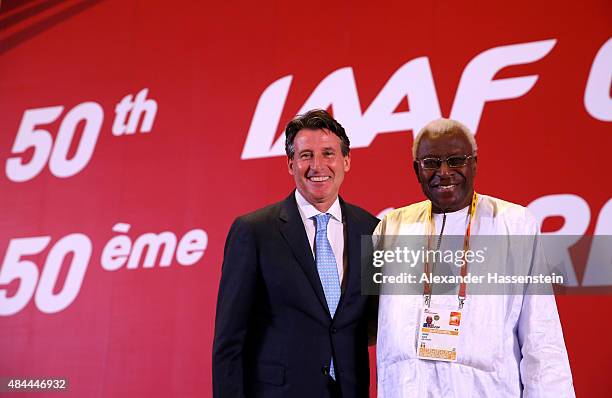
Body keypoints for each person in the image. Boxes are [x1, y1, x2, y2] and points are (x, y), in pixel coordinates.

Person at [375, 118, 575, 397]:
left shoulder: (513, 225)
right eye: (431, 162)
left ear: (474, 164)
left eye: (456, 160)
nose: (444, 172)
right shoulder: (392, 227)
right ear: (416, 169)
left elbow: (541, 338)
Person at [212, 109, 379, 398]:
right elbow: (229, 342)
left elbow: (378, 321)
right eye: (305, 155)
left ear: (346, 161)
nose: (318, 165)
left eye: (328, 153)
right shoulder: (254, 231)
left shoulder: (372, 229)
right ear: (290, 164)